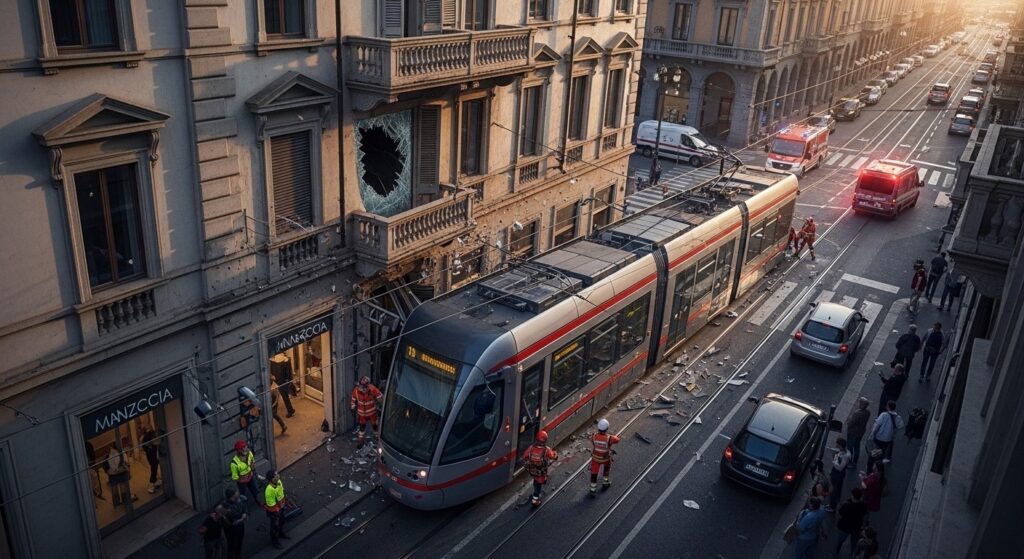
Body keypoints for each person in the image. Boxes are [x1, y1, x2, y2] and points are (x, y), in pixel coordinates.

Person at [522, 430, 557, 507]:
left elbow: (524, 456)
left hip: (532, 470)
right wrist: (555, 455)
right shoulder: (546, 450)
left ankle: (536, 487)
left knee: (536, 481)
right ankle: (535, 500)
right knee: (538, 484)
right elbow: (553, 456)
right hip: (541, 472)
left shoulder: (530, 448)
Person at [589, 419, 620, 494]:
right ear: (607, 428)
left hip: (595, 458)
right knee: (606, 470)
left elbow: (592, 440)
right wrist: (612, 436)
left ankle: (592, 490)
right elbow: (617, 440)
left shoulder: (593, 437)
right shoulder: (610, 438)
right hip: (605, 459)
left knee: (594, 473)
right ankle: (605, 483)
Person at [835, 487, 870, 557]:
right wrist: (863, 525)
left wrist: (838, 507)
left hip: (844, 527)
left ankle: (837, 551)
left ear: (853, 496)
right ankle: (852, 555)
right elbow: (866, 515)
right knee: (854, 544)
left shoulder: (847, 506)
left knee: (840, 541)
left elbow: (838, 515)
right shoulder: (863, 506)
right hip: (856, 528)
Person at [351, 376, 383, 446]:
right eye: (362, 386)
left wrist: (380, 404)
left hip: (372, 413)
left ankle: (377, 438)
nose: (363, 388)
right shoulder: (356, 391)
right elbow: (353, 400)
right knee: (362, 428)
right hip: (362, 414)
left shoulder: (372, 389)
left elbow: (380, 397)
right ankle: (360, 441)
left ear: (368, 385)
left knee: (374, 425)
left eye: (365, 386)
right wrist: (353, 408)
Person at [263, 470, 290, 549]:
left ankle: (281, 533)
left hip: (281, 507)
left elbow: (282, 492)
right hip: (274, 512)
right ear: (272, 479)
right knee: (275, 526)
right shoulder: (269, 491)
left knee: (282, 521)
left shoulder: (279, 482)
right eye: (276, 475)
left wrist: (284, 503)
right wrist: (277, 514)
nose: (278, 475)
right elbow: (272, 505)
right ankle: (275, 542)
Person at [229, 440, 260, 505]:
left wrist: (253, 471)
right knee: (243, 495)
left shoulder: (249, 453)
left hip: (250, 476)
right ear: (238, 451)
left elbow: (252, 462)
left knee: (255, 490)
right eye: (242, 449)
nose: (244, 449)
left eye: (245, 447)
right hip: (242, 482)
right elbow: (235, 477)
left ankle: (259, 502)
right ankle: (244, 508)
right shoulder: (234, 463)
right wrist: (243, 479)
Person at [221, 487, 248, 559]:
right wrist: (241, 519)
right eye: (236, 492)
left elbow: (244, 506)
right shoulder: (225, 506)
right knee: (231, 544)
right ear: (232, 496)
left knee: (239, 542)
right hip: (231, 529)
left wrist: (245, 513)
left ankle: (238, 555)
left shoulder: (239, 499)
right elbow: (229, 520)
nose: (238, 492)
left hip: (240, 526)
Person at [845, 397, 871, 470]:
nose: (858, 403)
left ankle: (849, 461)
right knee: (857, 446)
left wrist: (848, 421)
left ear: (862, 404)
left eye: (859, 402)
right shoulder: (868, 412)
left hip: (853, 432)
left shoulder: (857, 413)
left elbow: (850, 423)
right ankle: (855, 462)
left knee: (850, 447)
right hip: (861, 432)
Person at [828, 438, 851, 512]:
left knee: (834, 490)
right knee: (837, 489)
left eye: (837, 444)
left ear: (840, 445)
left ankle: (832, 507)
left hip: (838, 474)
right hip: (838, 473)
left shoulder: (845, 456)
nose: (836, 445)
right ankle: (833, 503)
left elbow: (840, 468)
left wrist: (834, 459)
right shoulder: (845, 452)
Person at [141, 425, 162, 494]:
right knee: (154, 469)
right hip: (152, 456)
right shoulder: (149, 438)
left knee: (154, 469)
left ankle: (155, 481)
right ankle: (151, 484)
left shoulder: (147, 438)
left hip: (151, 456)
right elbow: (155, 443)